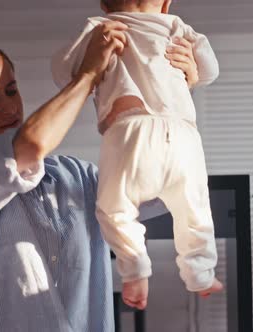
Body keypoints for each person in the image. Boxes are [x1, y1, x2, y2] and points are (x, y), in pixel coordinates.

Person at [0, 21, 198, 331]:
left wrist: (175, 96)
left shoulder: (77, 175)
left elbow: (161, 185)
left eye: (11, 91)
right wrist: (87, 76)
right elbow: (27, 146)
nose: (9, 108)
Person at [51, 0, 223, 311]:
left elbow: (62, 71)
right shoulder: (177, 27)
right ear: (167, 3)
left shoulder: (101, 29)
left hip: (131, 130)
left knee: (115, 209)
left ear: (105, 4)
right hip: (184, 136)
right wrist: (193, 72)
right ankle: (201, 274)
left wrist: (92, 56)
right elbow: (211, 70)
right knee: (195, 212)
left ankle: (134, 270)